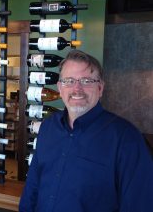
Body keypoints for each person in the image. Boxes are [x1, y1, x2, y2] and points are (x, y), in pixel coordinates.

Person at [19, 50, 153, 212]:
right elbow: (33, 186)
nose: (77, 89)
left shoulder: (127, 138)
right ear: (60, 88)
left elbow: (138, 205)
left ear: (100, 88)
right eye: (69, 81)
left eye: (86, 80)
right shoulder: (48, 127)